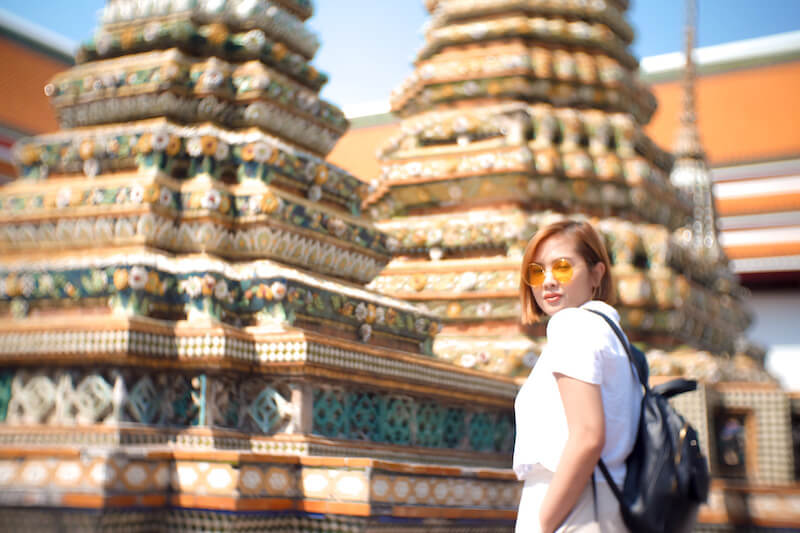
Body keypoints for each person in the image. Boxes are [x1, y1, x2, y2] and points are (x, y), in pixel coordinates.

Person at [513, 219, 641, 532]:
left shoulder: (572, 325)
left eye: (563, 267)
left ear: (597, 274)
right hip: (605, 502)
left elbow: (587, 436)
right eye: (536, 271)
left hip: (573, 507)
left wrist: (543, 522)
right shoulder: (615, 336)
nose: (548, 281)